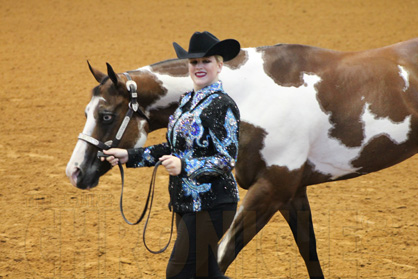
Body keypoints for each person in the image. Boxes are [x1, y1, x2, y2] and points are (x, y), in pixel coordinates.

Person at [102, 31, 241, 279]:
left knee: (178, 273)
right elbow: (170, 148)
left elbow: (226, 159)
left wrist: (184, 166)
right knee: (205, 274)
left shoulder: (223, 105)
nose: (199, 66)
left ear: (219, 66)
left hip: (213, 205)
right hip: (187, 203)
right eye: (194, 62)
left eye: (206, 61)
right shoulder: (187, 101)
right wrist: (128, 156)